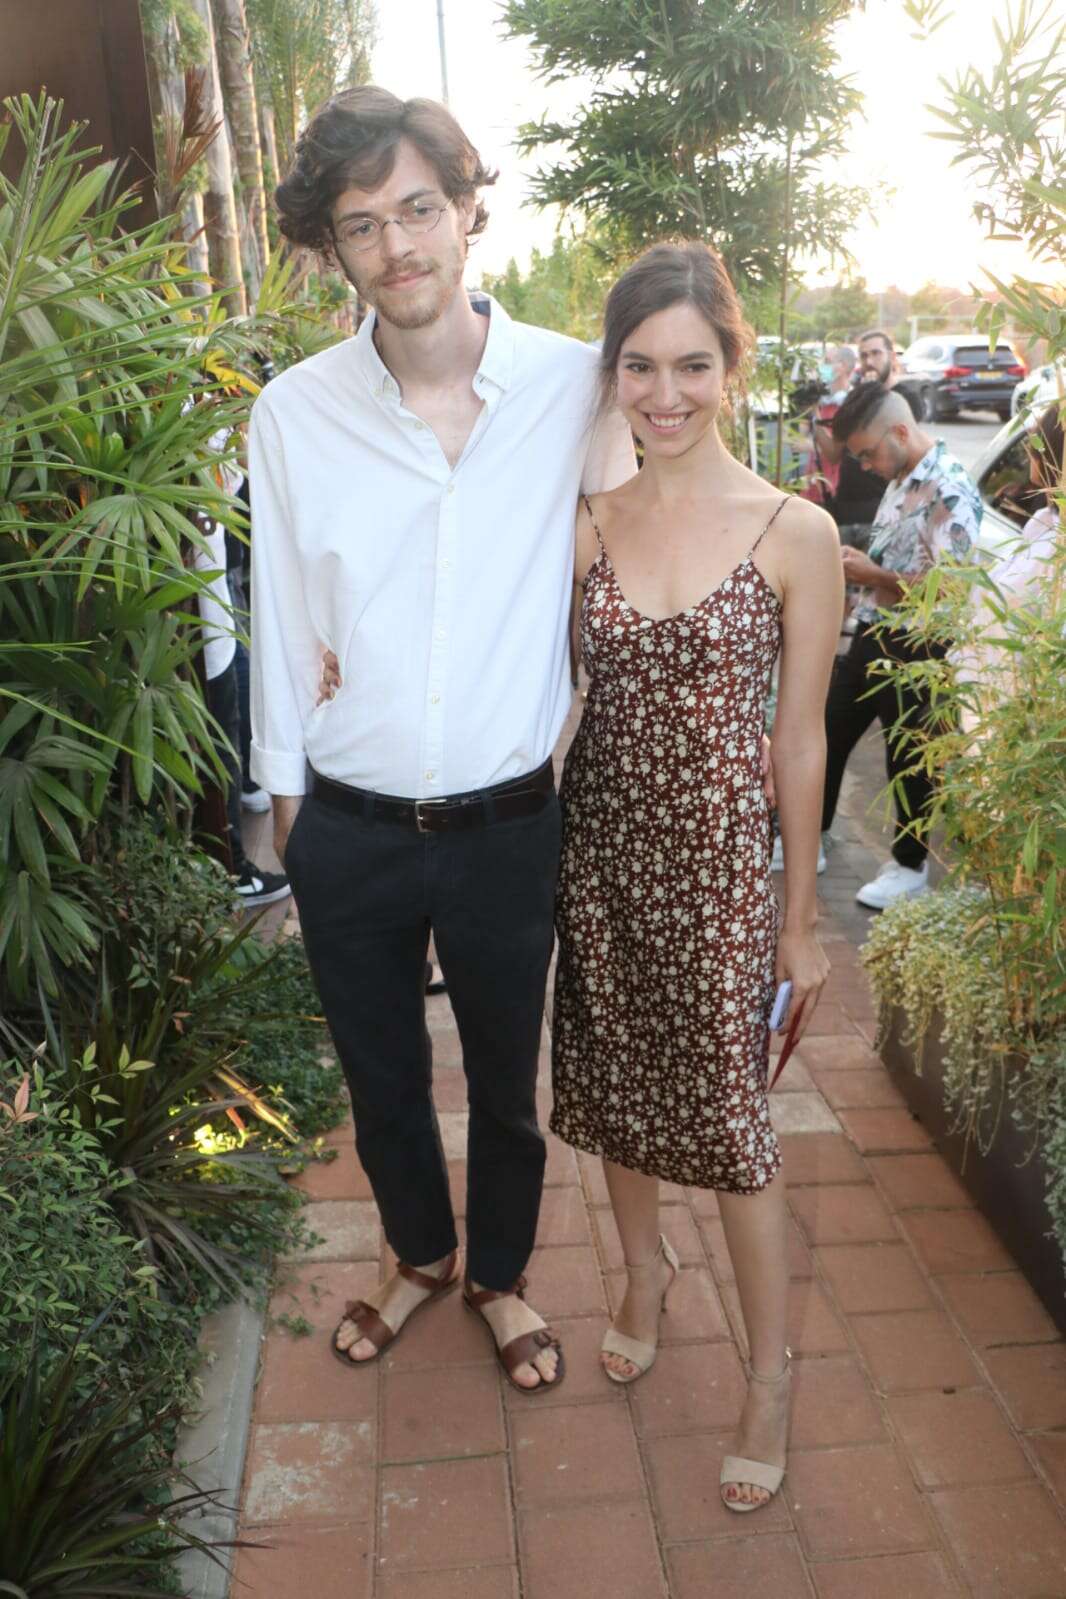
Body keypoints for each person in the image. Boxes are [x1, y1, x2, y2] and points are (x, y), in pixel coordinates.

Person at [248, 86, 635, 1391]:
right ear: (333, 249)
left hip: (507, 822)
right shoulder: (294, 413)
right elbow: (279, 612)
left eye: (418, 209)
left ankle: (500, 1276)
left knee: (507, 1083)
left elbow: (630, 554)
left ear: (468, 211)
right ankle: (416, 1254)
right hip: (348, 823)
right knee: (381, 1077)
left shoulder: (572, 387)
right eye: (361, 225)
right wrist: (287, 812)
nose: (396, 245)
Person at [549, 241, 843, 1513]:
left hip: (722, 877)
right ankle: (640, 1275)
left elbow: (800, 738)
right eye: (638, 368)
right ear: (611, 375)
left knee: (730, 1132)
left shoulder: (796, 531)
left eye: (689, 366)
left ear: (733, 366)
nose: (662, 395)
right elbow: (532, 686)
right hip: (601, 861)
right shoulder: (584, 527)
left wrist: (799, 922)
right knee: (616, 1093)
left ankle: (768, 1378)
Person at [820, 382, 982, 909]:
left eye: (869, 453)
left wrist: (875, 574)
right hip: (875, 629)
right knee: (828, 730)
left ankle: (909, 868)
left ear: (900, 432)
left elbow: (951, 589)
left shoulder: (949, 488)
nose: (866, 466)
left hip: (920, 644)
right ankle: (805, 836)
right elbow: (898, 553)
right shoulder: (901, 477)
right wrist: (864, 564)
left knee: (909, 756)